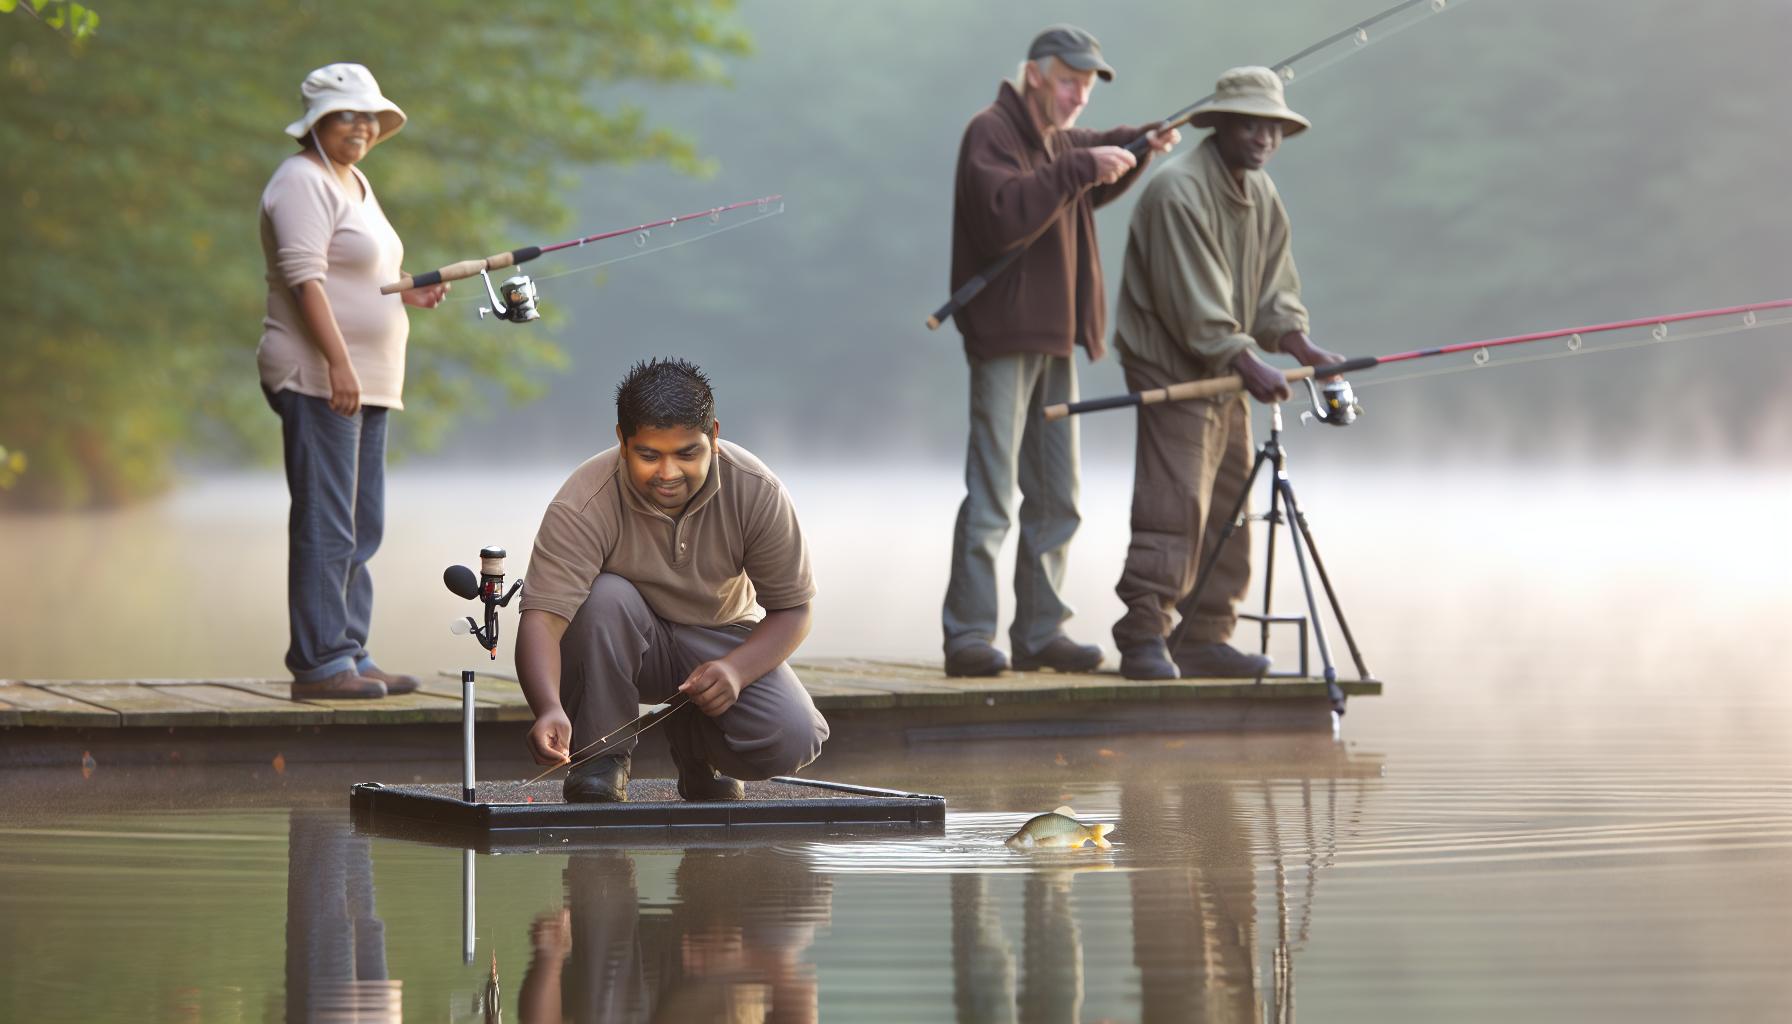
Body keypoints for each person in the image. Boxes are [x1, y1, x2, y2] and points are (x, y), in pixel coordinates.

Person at [942, 24, 1180, 678]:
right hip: (1004, 339)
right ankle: (968, 636)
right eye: (1071, 80)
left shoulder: (1053, 140)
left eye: (1087, 84)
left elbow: (1089, 166)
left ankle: (1041, 632)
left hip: (1054, 341)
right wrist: (1082, 164)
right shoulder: (991, 132)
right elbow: (1004, 215)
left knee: (1058, 496)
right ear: (1037, 74)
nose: (1079, 95)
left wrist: (1143, 144)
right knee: (992, 492)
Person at [1109, 67, 1343, 680]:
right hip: (1173, 370)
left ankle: (1206, 633)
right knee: (1177, 498)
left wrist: (1304, 350)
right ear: (1221, 125)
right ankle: (1143, 633)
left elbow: (1275, 292)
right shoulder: (1176, 191)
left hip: (1229, 370)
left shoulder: (1262, 193)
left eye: (1274, 127)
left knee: (1233, 499)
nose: (1264, 138)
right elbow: (1199, 309)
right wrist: (1251, 362)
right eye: (1251, 124)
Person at [515, 358, 829, 804]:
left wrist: (736, 671)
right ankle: (602, 760)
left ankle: (697, 743)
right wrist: (547, 707)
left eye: (687, 453)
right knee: (604, 598)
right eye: (649, 455)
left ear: (713, 437)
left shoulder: (757, 489)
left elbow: (794, 610)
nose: (668, 473)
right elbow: (542, 620)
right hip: (620, 643)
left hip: (720, 639)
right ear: (623, 441)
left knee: (794, 736)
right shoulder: (582, 501)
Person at [257, 63, 448, 700]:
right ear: (317, 124)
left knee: (363, 522)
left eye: (370, 115)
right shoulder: (300, 181)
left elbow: (363, 272)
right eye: (348, 114)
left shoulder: (354, 181)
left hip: (369, 381)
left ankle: (350, 651)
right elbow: (305, 279)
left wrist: (411, 291)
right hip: (319, 377)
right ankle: (319, 663)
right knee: (327, 520)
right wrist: (338, 361)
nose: (363, 126)